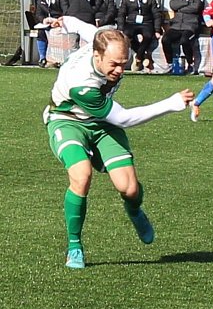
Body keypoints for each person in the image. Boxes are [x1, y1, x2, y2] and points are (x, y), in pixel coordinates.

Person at [44, 28, 194, 269]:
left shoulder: (100, 41)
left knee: (130, 189)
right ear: (97, 56)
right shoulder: (80, 83)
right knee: (82, 176)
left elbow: (86, 27)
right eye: (114, 64)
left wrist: (67, 20)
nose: (119, 70)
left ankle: (134, 210)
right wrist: (171, 104)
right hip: (68, 120)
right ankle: (74, 246)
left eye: (124, 63)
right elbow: (123, 119)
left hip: (103, 124)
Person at [117, 0, 163, 72]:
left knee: (148, 36)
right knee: (127, 35)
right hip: (131, 22)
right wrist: (120, 28)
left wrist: (157, 30)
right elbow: (121, 13)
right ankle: (143, 56)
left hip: (146, 23)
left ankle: (138, 57)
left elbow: (157, 15)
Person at [161, 0, 206, 74]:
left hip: (191, 27)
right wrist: (188, 3)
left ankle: (190, 64)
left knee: (185, 41)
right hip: (176, 26)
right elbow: (173, 5)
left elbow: (197, 7)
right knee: (165, 39)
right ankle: (170, 64)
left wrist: (180, 8)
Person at [33, 0, 63, 67]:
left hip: (59, 22)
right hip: (48, 23)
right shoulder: (39, 0)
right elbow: (38, 14)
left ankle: (59, 59)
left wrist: (58, 20)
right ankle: (42, 58)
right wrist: (44, 20)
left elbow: (65, 10)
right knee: (40, 32)